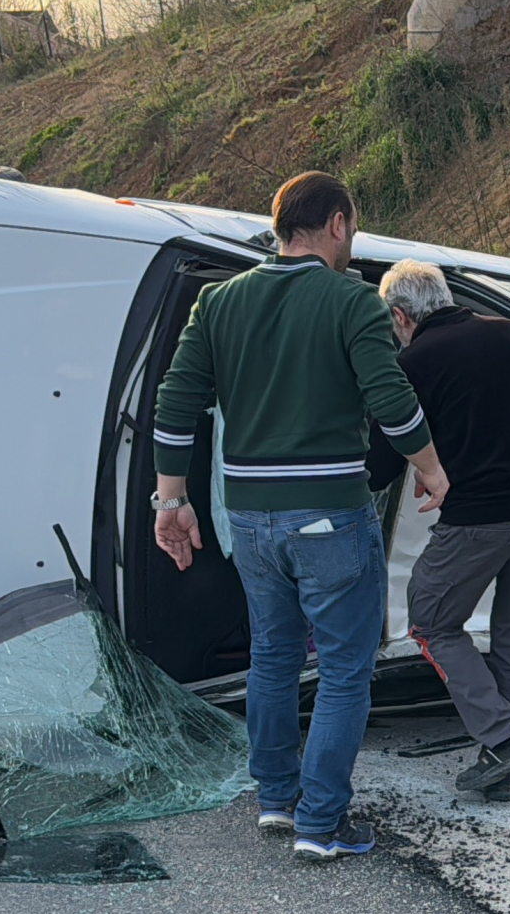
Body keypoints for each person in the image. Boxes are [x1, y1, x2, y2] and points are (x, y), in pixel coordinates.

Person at [152, 172, 449, 863]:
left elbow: (175, 401)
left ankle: (276, 799)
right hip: (330, 515)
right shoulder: (352, 302)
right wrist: (432, 469)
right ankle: (321, 823)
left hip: (249, 519)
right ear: (338, 223)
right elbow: (391, 398)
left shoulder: (218, 301)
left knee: (273, 656)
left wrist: (172, 500)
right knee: (344, 670)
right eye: (353, 230)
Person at [366, 259, 510, 805]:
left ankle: (503, 736)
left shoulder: (413, 362)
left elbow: (381, 462)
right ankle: (500, 767)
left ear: (400, 316)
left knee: (430, 621)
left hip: (478, 519)